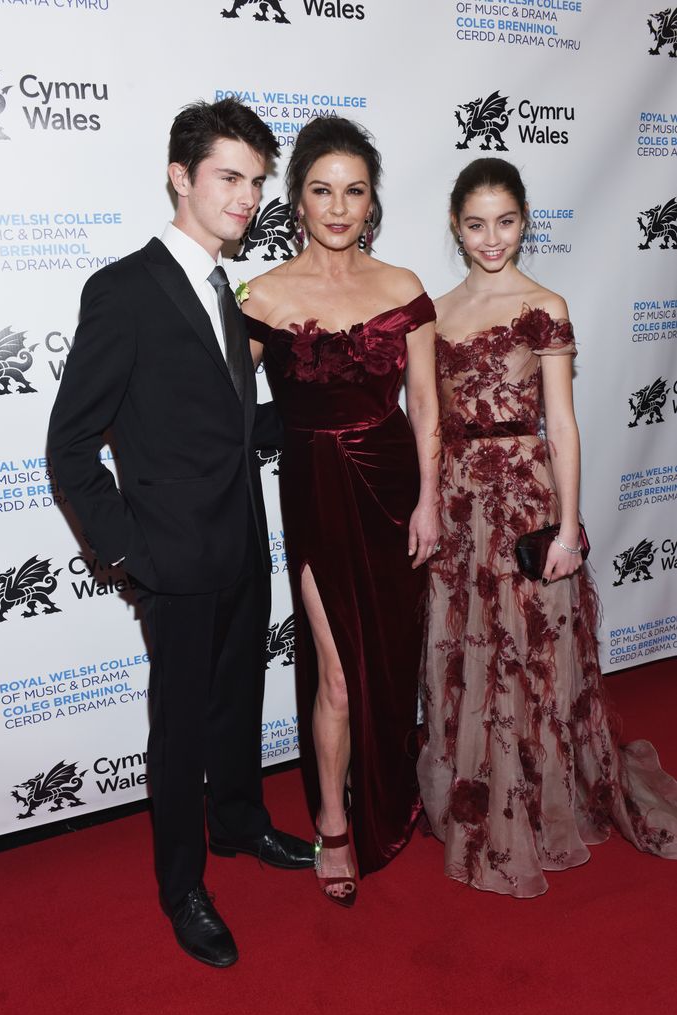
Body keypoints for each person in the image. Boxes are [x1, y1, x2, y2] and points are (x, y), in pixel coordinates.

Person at [47, 98, 314, 967]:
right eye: (229, 178)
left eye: (256, 181)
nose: (246, 198)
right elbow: (70, 447)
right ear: (181, 176)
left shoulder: (224, 291)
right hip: (171, 557)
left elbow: (227, 427)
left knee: (237, 704)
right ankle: (182, 886)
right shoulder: (122, 289)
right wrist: (128, 553)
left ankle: (239, 824)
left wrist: (328, 421)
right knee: (181, 730)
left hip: (242, 538)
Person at [417, 157, 677, 897]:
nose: (490, 238)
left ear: (524, 220)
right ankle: (472, 789)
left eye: (504, 221)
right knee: (465, 645)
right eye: (474, 224)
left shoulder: (545, 304)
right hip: (460, 500)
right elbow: (429, 424)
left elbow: (559, 423)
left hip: (524, 498)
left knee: (528, 645)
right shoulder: (431, 312)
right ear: (454, 225)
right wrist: (429, 502)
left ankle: (538, 794)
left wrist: (569, 528)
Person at [243, 117, 440, 906]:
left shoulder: (402, 287)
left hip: (396, 491)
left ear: (370, 203)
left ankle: (386, 795)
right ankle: (332, 820)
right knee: (335, 671)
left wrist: (428, 501)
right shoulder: (261, 294)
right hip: (317, 488)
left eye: (353, 191)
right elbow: (213, 401)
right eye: (321, 189)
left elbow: (425, 407)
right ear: (296, 199)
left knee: (390, 666)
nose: (337, 205)